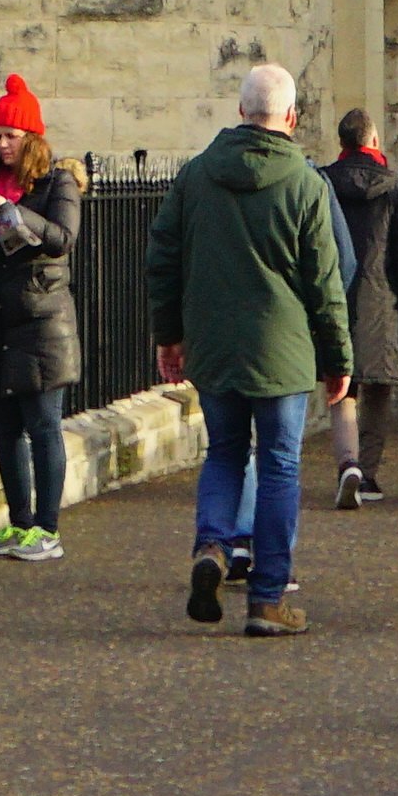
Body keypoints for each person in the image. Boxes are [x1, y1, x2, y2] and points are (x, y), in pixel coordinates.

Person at [142, 62, 355, 635]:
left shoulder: (196, 175)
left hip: (214, 343)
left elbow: (163, 258)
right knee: (281, 465)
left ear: (241, 112)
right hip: (283, 350)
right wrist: (339, 361)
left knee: (225, 454)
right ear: (291, 117)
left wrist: (170, 334)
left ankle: (212, 546)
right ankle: (266, 600)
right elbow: (324, 283)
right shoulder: (308, 185)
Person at [0, 77, 83, 562]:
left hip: (41, 319)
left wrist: (18, 215)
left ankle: (46, 529)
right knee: (3, 428)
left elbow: (63, 237)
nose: (3, 144)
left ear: (31, 140)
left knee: (43, 424)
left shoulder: (56, 182)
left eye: (11, 136)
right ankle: (18, 522)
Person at [324, 110, 398, 509]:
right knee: (377, 390)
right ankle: (370, 474)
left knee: (342, 385)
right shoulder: (395, 188)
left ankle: (349, 463)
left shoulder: (324, 182)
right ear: (373, 141)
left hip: (336, 294)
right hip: (382, 295)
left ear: (343, 143)